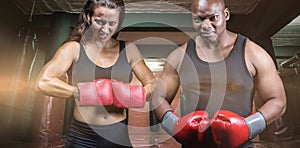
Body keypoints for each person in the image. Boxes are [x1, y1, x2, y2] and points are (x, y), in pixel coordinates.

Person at [152, 0, 287, 147]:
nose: (206, 25)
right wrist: (174, 126)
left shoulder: (253, 53)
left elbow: (278, 101)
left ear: (226, 14)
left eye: (213, 18)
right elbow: (158, 98)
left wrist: (248, 127)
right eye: (199, 19)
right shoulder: (179, 56)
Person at [35, 0, 155, 147]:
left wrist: (133, 95)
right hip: (82, 136)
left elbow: (153, 83)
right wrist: (83, 92)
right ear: (89, 16)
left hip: (118, 134)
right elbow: (42, 82)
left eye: (112, 23)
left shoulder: (128, 49)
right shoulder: (74, 48)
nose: (105, 29)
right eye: (99, 21)